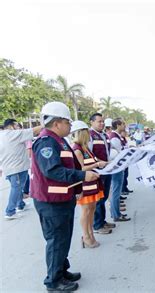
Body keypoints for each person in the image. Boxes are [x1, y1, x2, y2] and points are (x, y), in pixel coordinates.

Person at [31, 101, 100, 291]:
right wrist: (82, 176)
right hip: (51, 202)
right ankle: (53, 281)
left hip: (63, 199)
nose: (70, 126)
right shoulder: (46, 141)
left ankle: (61, 270)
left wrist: (79, 186)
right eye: (68, 123)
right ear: (57, 123)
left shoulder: (59, 140)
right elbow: (52, 171)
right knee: (56, 240)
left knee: (64, 238)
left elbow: (71, 165)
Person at [71, 121, 107, 248]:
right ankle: (86, 236)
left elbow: (94, 161)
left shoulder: (85, 147)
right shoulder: (77, 149)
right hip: (85, 184)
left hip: (93, 183)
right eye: (86, 132)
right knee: (86, 211)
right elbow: (81, 168)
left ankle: (91, 232)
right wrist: (97, 165)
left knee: (92, 210)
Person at [0, 119, 42, 219]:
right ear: (10, 126)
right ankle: (10, 212)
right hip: (16, 168)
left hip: (9, 168)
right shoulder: (13, 134)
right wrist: (48, 123)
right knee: (16, 188)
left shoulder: (2, 135)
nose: (19, 127)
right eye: (17, 125)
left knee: (17, 188)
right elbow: (33, 131)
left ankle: (20, 205)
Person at [89, 113, 115, 234]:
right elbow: (89, 154)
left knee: (104, 197)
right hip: (97, 171)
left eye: (103, 121)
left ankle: (102, 221)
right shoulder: (90, 136)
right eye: (99, 121)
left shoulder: (104, 135)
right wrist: (100, 163)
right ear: (92, 122)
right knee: (98, 198)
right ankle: (97, 225)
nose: (102, 123)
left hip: (107, 170)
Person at [108, 118, 131, 222]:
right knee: (115, 191)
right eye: (123, 124)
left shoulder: (117, 136)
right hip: (116, 167)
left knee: (116, 191)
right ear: (118, 125)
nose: (124, 126)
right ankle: (116, 214)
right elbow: (119, 152)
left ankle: (116, 213)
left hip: (119, 166)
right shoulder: (114, 137)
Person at [120, 129, 133, 195]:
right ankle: (122, 190)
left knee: (126, 175)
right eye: (124, 132)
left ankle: (125, 188)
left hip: (126, 160)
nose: (125, 133)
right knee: (123, 176)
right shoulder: (119, 138)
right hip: (122, 160)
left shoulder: (124, 139)